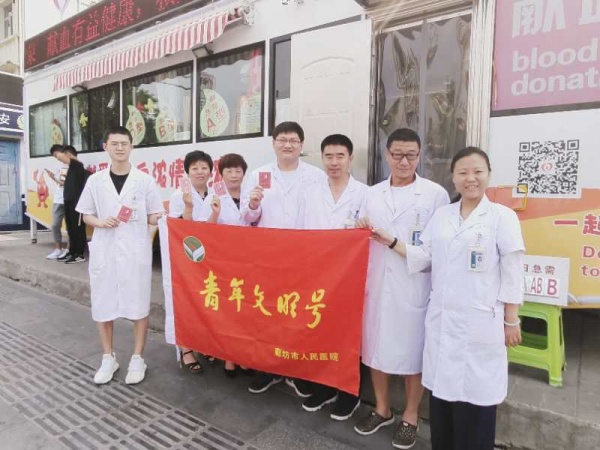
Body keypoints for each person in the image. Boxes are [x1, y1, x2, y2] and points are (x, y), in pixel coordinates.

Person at [369, 147, 524, 450]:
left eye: (477, 172)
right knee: (443, 404)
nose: (471, 179)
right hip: (443, 323)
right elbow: (424, 255)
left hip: (481, 323)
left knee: (476, 406)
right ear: (453, 178)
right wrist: (392, 241)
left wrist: (511, 319)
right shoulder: (442, 216)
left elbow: (513, 272)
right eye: (463, 172)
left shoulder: (502, 217)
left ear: (488, 175)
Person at [354, 128, 449, 450]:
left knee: (413, 353)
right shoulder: (372, 194)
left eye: (410, 155)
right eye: (397, 154)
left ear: (420, 156)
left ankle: (410, 415)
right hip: (377, 283)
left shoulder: (435, 195)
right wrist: (357, 229)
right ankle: (381, 409)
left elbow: (437, 251)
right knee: (375, 348)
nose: (404, 161)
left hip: (414, 284)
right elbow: (360, 233)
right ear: (387, 155)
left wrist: (394, 243)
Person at [76, 126, 164, 385]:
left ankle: (138, 358)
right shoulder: (95, 181)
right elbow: (86, 214)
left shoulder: (144, 180)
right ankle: (108, 357)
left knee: (138, 305)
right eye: (114, 143)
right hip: (105, 250)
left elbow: (153, 214)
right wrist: (100, 222)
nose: (120, 148)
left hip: (135, 252)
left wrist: (161, 217)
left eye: (124, 143)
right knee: (103, 305)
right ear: (106, 146)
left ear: (131, 146)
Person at [242, 121, 325, 395]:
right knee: (269, 313)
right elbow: (247, 218)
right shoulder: (259, 174)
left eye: (293, 140)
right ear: (273, 144)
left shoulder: (316, 176)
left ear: (301, 145)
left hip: (304, 257)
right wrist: (253, 204)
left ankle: (296, 370)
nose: (288, 145)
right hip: (270, 257)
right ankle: (269, 369)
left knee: (299, 314)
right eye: (282, 140)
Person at [297, 134, 367, 420]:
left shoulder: (365, 194)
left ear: (351, 158)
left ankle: (350, 393)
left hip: (351, 277)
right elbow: (300, 234)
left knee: (349, 335)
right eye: (329, 156)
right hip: (317, 275)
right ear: (322, 158)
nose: (334, 162)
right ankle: (324, 388)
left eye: (340, 156)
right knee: (320, 332)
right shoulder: (310, 193)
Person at [199, 153, 254, 377]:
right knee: (229, 310)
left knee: (246, 311)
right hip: (224, 262)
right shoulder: (214, 197)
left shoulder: (251, 195)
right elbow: (204, 230)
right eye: (229, 171)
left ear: (243, 173)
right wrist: (215, 213)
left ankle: (244, 357)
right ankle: (229, 358)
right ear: (221, 174)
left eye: (238, 171)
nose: (233, 175)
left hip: (249, 261)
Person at [168, 150, 214, 374]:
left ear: (210, 171)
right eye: (195, 168)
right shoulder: (179, 196)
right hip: (188, 257)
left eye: (204, 167)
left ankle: (206, 344)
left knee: (207, 302)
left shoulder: (216, 194)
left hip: (211, 258)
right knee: (187, 302)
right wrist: (188, 208)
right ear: (187, 171)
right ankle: (186, 349)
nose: (200, 172)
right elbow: (178, 230)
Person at [57, 145, 90, 264]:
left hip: (77, 203)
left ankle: (79, 254)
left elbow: (60, 155)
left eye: (64, 155)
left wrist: (59, 152)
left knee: (78, 229)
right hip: (68, 202)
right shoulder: (71, 168)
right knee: (71, 229)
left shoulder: (77, 165)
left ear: (69, 155)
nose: (60, 159)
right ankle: (72, 252)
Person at [44, 144, 69, 260]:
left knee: (70, 226)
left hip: (69, 199)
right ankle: (58, 249)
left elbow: (64, 183)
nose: (56, 158)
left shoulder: (71, 165)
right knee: (55, 225)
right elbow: (61, 183)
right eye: (55, 156)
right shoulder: (59, 166)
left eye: (56, 155)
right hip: (58, 199)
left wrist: (55, 179)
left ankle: (68, 249)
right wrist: (53, 177)